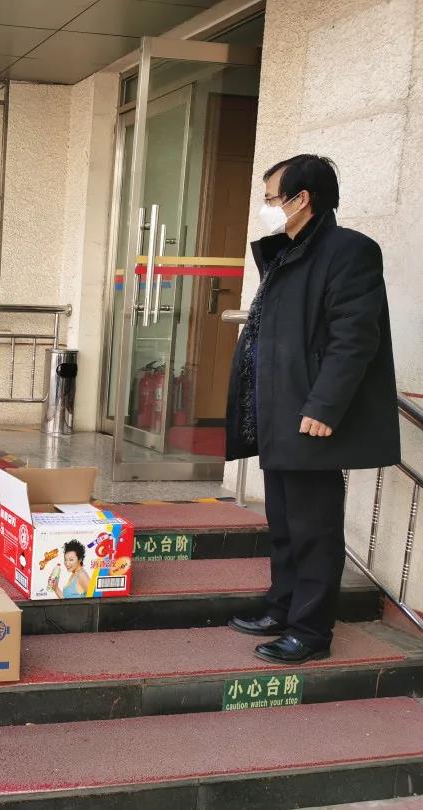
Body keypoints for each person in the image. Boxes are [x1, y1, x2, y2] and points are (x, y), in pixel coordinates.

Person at [226, 155, 399, 664]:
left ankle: (310, 631)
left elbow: (354, 338)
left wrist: (324, 406)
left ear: (302, 199)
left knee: (314, 528)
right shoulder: (287, 251)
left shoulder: (349, 251)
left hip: (311, 415)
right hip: (278, 409)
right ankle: (281, 607)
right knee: (283, 523)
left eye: (271, 198)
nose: (266, 207)